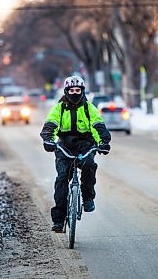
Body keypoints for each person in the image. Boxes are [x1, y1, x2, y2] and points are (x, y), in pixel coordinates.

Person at [40, 75, 111, 233]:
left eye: (78, 90)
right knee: (62, 179)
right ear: (66, 91)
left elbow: (97, 124)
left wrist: (103, 142)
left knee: (89, 166)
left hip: (85, 145)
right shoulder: (59, 108)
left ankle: (87, 197)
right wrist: (49, 140)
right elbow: (51, 123)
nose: (74, 93)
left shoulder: (88, 107)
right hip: (65, 146)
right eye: (71, 90)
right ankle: (59, 221)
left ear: (82, 91)